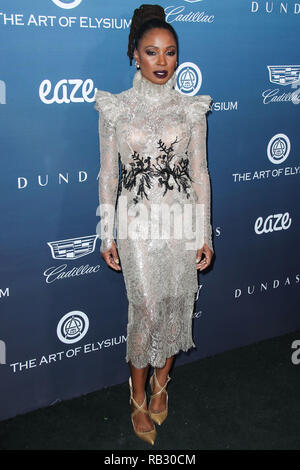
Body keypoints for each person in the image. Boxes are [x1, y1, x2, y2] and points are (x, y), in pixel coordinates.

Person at [94, 4, 214, 445]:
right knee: (144, 308)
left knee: (178, 303)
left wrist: (204, 232)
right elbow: (109, 174)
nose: (162, 62)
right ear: (135, 55)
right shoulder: (115, 108)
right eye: (151, 52)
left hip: (181, 219)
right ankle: (137, 395)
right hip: (138, 224)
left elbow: (200, 173)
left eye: (170, 52)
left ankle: (163, 383)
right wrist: (107, 231)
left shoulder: (191, 109)